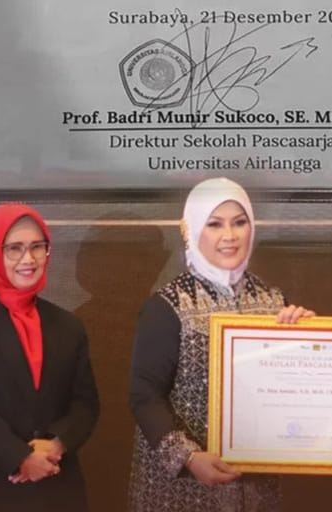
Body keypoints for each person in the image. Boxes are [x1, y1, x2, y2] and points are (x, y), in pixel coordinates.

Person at [127, 177, 313, 512]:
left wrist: (310, 339)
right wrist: (188, 457)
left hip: (255, 488)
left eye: (239, 222)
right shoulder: (169, 305)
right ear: (192, 230)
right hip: (183, 490)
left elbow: (290, 388)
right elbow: (144, 395)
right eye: (214, 224)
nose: (230, 236)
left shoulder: (274, 301)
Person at [0, 203, 99, 512]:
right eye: (14, 248)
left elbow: (86, 404)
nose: (29, 259)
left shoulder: (69, 326)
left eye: (37, 247)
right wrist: (20, 457)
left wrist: (57, 444)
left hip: (58, 487)